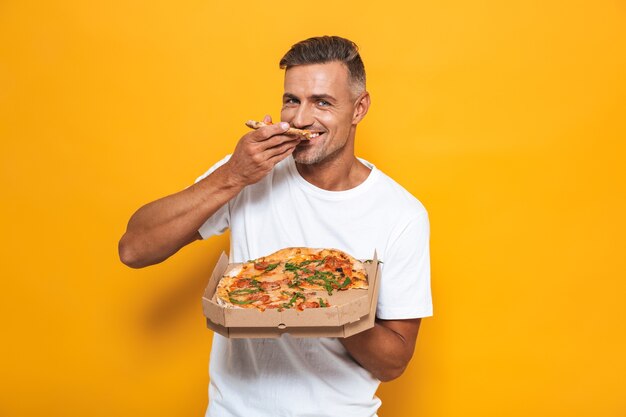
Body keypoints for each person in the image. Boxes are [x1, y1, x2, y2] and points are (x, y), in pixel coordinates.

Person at [119, 35, 432, 417]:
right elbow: (133, 249)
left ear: (359, 108)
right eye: (291, 100)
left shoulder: (400, 213)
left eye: (322, 102)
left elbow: (393, 363)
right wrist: (232, 176)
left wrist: (327, 301)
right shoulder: (249, 171)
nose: (300, 119)